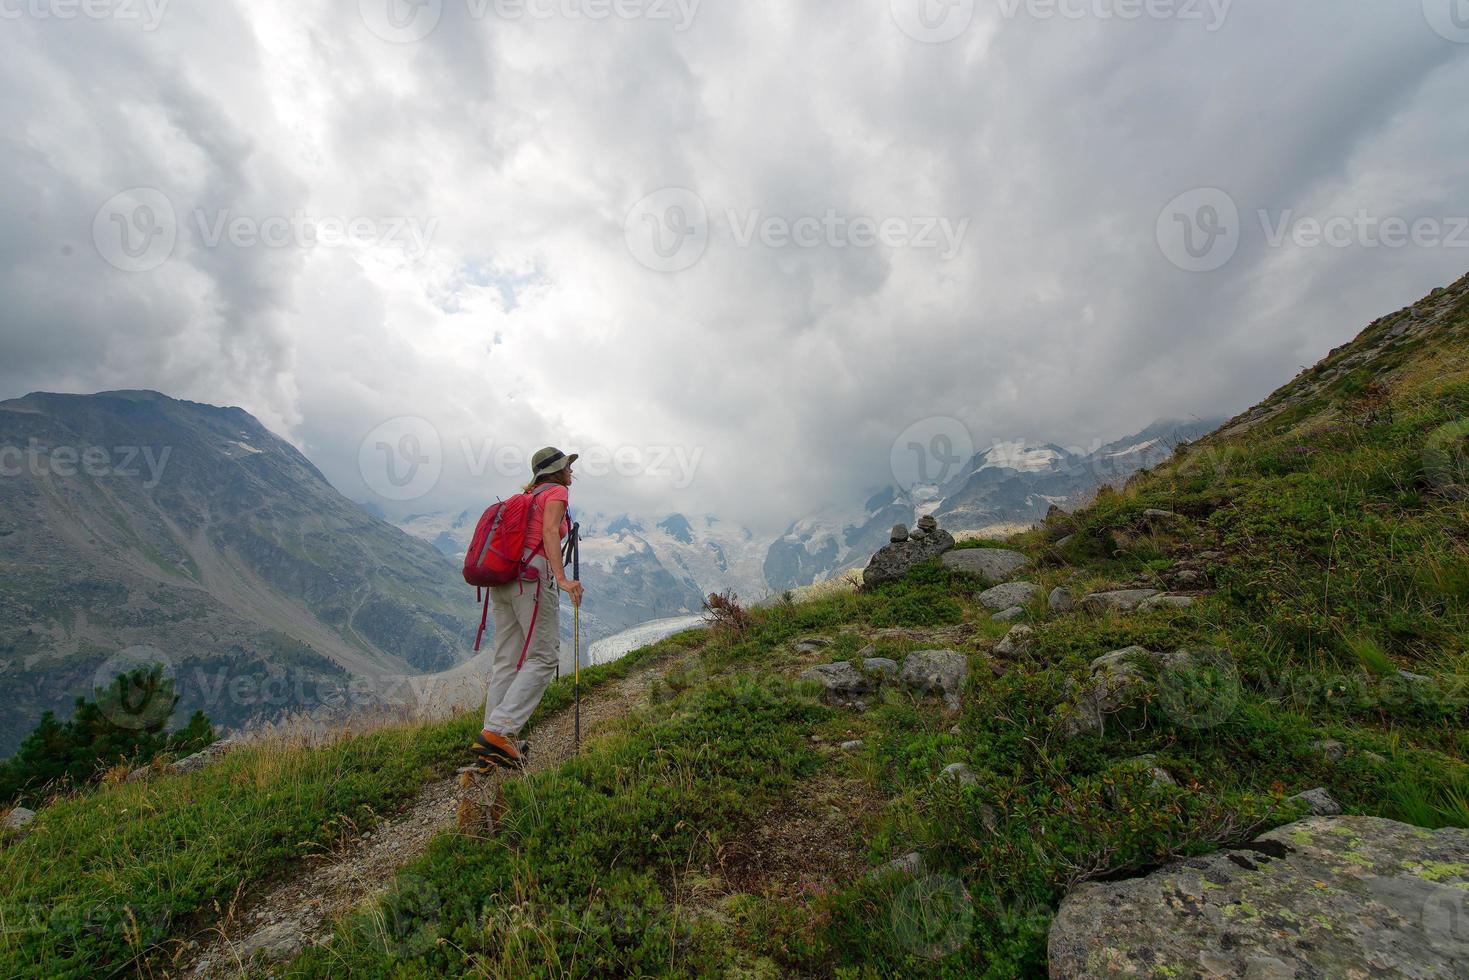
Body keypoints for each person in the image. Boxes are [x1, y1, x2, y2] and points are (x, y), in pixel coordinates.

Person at [472, 447, 586, 769]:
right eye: (567, 467)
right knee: (544, 656)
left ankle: (489, 740)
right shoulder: (556, 492)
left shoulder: (525, 496)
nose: (571, 472)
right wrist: (562, 579)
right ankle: (500, 732)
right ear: (557, 472)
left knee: (507, 659)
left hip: (505, 580)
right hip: (532, 579)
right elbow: (550, 531)